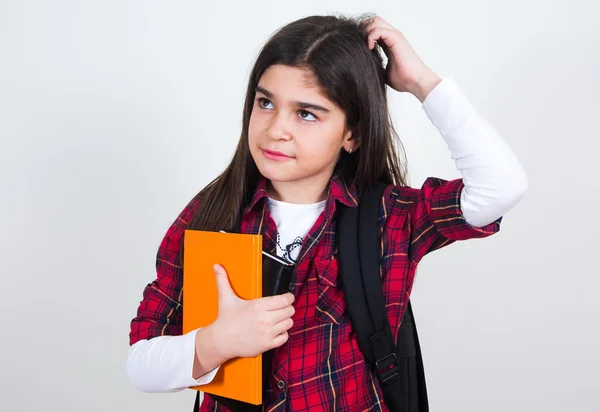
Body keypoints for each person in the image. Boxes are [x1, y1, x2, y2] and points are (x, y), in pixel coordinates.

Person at [126, 14, 528, 412]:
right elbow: (141, 365)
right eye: (266, 103)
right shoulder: (213, 213)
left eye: (306, 113)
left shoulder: (389, 219)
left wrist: (423, 83)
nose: (276, 129)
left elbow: (500, 187)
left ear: (352, 133)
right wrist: (216, 343)